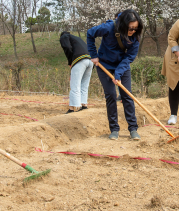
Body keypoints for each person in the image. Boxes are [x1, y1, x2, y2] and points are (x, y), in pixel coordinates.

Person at [87, 10, 143, 141]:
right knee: (111, 96)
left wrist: (118, 73)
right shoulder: (108, 27)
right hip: (104, 64)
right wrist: (93, 55)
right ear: (123, 24)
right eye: (131, 28)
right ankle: (114, 129)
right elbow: (90, 33)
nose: (133, 31)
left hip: (122, 66)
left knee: (127, 95)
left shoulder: (135, 37)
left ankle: (133, 129)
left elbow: (129, 57)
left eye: (136, 28)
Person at [60, 31, 93, 113]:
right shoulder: (77, 38)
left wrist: (70, 61)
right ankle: (83, 105)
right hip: (90, 60)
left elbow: (67, 47)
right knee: (84, 85)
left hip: (80, 60)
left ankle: (73, 108)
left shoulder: (64, 37)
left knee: (75, 84)